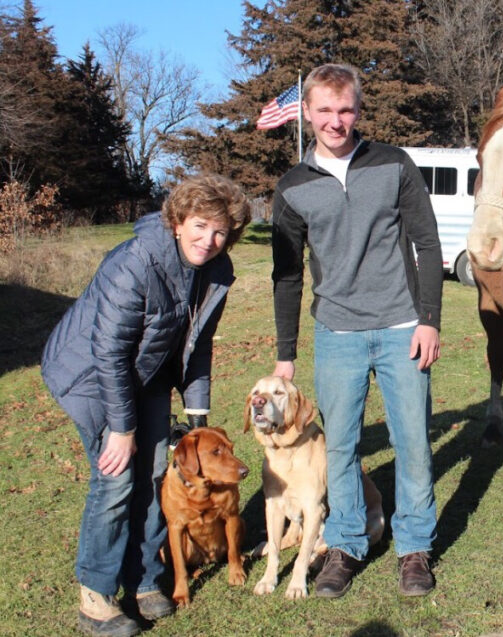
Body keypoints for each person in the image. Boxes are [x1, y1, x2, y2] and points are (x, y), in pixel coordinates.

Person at [40, 174, 252, 636]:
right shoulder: (135, 261)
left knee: (157, 473)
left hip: (148, 375)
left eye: (220, 231)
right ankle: (96, 595)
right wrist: (122, 429)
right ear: (177, 222)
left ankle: (145, 579)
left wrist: (197, 418)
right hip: (91, 376)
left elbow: (198, 345)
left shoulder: (216, 270)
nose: (208, 240)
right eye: (200, 226)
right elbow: (109, 351)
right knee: (116, 480)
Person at [270, 63, 443, 599]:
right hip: (337, 333)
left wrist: (429, 320)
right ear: (306, 112)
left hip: (401, 327)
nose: (335, 121)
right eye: (324, 110)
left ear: (358, 110)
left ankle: (414, 547)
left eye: (345, 110)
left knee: (412, 442)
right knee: (340, 446)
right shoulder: (292, 188)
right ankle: (345, 544)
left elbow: (428, 242)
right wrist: (285, 352)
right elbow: (287, 274)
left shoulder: (393, 163)